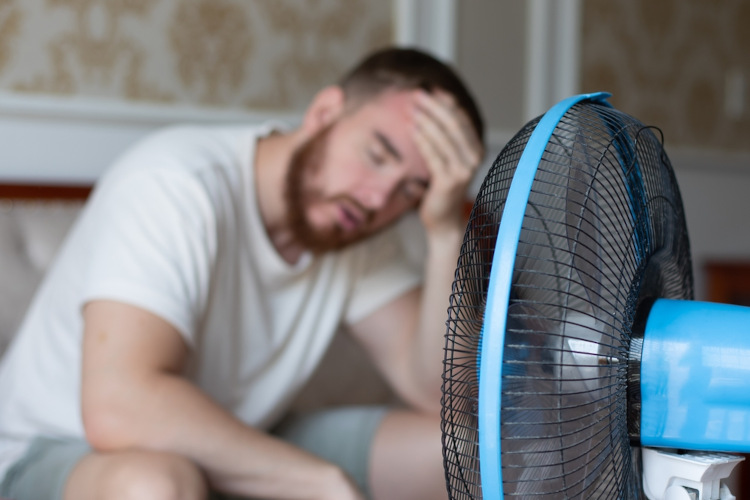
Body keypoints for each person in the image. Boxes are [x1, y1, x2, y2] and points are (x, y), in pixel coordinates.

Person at [0, 46, 484, 500]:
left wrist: (443, 229)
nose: (379, 198)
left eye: (411, 190)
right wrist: (319, 482)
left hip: (241, 431)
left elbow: (438, 396)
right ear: (325, 114)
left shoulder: (354, 225)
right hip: (62, 447)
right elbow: (119, 406)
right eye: (377, 155)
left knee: (467, 452)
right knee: (155, 484)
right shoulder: (177, 184)